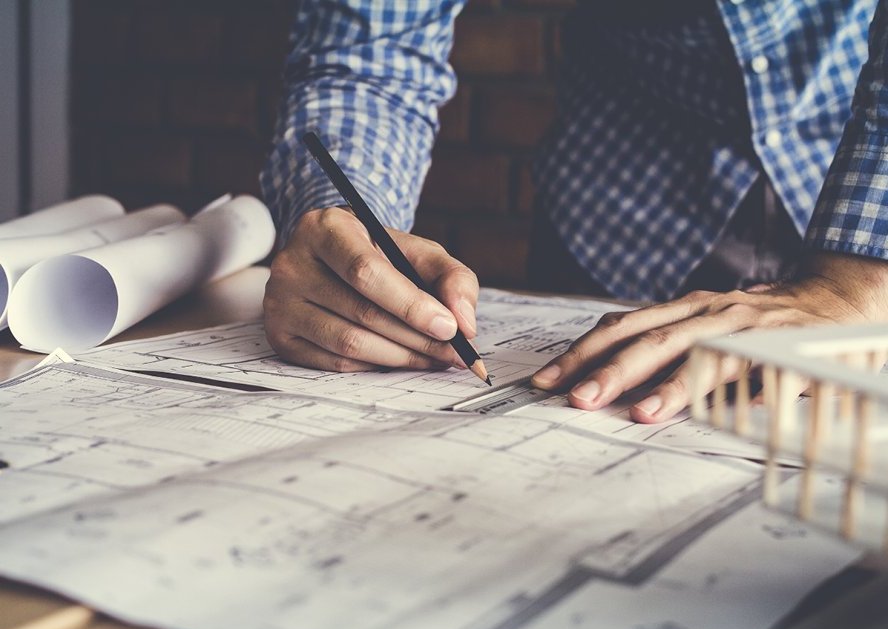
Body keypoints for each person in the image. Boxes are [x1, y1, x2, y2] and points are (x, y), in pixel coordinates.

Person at [260, 0, 888, 423]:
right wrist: (344, 220)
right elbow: (370, 56)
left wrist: (857, 288)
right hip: (615, 210)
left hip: (859, 184)